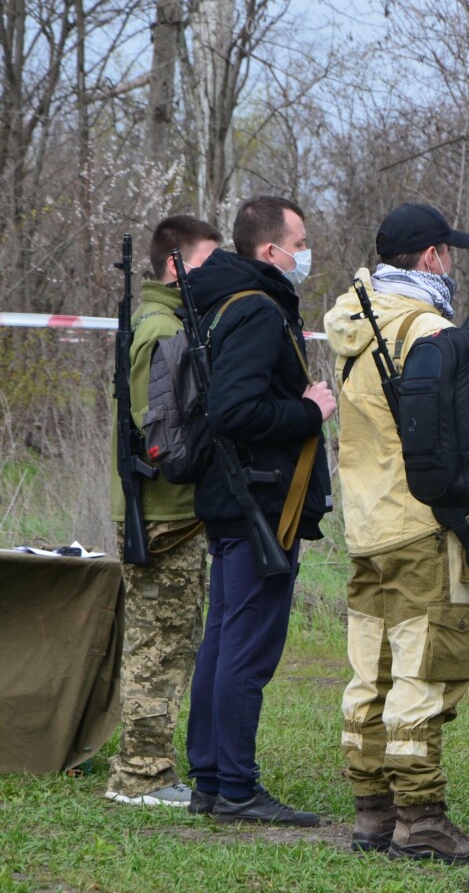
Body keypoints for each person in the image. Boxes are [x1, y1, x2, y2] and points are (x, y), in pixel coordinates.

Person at [323, 203, 469, 860]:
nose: (453, 263)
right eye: (450, 251)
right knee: (424, 667)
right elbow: (454, 437)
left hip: (364, 523)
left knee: (372, 667)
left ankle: (372, 811)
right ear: (432, 256)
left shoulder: (351, 322)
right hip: (419, 523)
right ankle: (421, 818)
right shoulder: (429, 329)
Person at [182, 195, 336, 826]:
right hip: (257, 499)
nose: (305, 254)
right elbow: (233, 412)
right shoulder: (256, 310)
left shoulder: (229, 301)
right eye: (299, 243)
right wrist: (309, 409)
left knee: (224, 640)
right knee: (246, 646)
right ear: (270, 251)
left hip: (240, 495)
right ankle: (236, 789)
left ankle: (212, 781)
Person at [104, 215, 221, 807]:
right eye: (207, 262)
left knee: (171, 642)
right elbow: (162, 435)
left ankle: (149, 768)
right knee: (158, 647)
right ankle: (139, 776)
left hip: (171, 511)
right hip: (163, 513)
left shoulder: (169, 322)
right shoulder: (160, 329)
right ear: (176, 268)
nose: (215, 273)